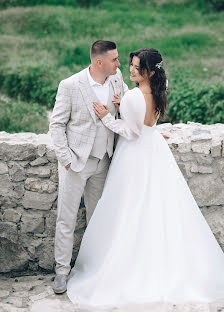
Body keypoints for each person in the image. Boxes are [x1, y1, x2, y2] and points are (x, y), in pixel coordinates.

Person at [65, 48, 224, 306]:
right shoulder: (157, 89)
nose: (131, 70)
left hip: (134, 155)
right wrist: (134, 114)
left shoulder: (134, 95)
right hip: (153, 149)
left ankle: (132, 267)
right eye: (131, 65)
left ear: (149, 72)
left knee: (130, 208)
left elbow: (131, 132)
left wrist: (107, 117)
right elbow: (147, 124)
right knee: (159, 207)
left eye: (136, 67)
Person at [49, 40, 128, 294]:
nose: (118, 63)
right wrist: (67, 160)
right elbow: (57, 125)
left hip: (104, 160)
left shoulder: (117, 80)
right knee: (66, 218)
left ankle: (96, 268)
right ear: (99, 62)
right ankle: (61, 271)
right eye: (114, 59)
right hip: (76, 163)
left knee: (98, 219)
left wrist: (120, 106)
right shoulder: (70, 85)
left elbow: (127, 109)